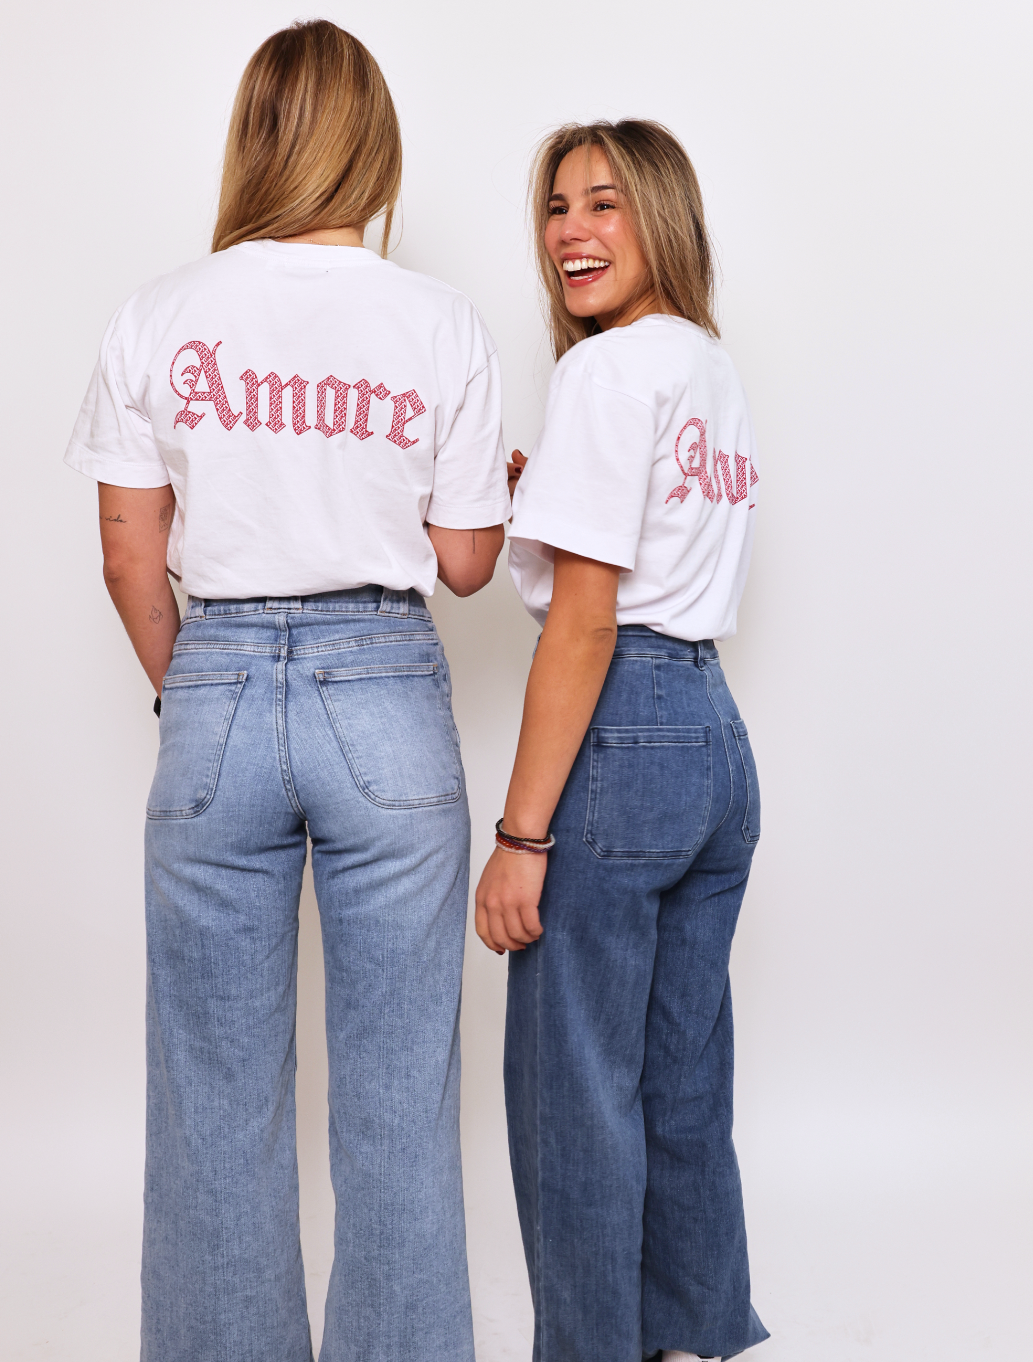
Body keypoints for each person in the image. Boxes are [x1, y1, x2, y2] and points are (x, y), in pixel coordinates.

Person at [65, 21, 508, 1362]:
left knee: (212, 1099)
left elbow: (129, 552)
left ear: (252, 139)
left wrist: (196, 685)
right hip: (383, 691)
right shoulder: (437, 320)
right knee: (396, 1101)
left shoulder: (160, 310)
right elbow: (468, 562)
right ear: (372, 146)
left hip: (214, 682)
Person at [474, 121, 769, 1362]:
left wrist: (520, 833)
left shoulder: (606, 372)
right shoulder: (704, 364)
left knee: (573, 1094)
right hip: (710, 737)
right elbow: (652, 545)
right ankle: (685, 1340)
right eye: (554, 209)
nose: (572, 233)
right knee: (679, 1080)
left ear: (663, 217)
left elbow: (588, 622)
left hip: (625, 728)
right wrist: (551, 491)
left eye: (604, 204)